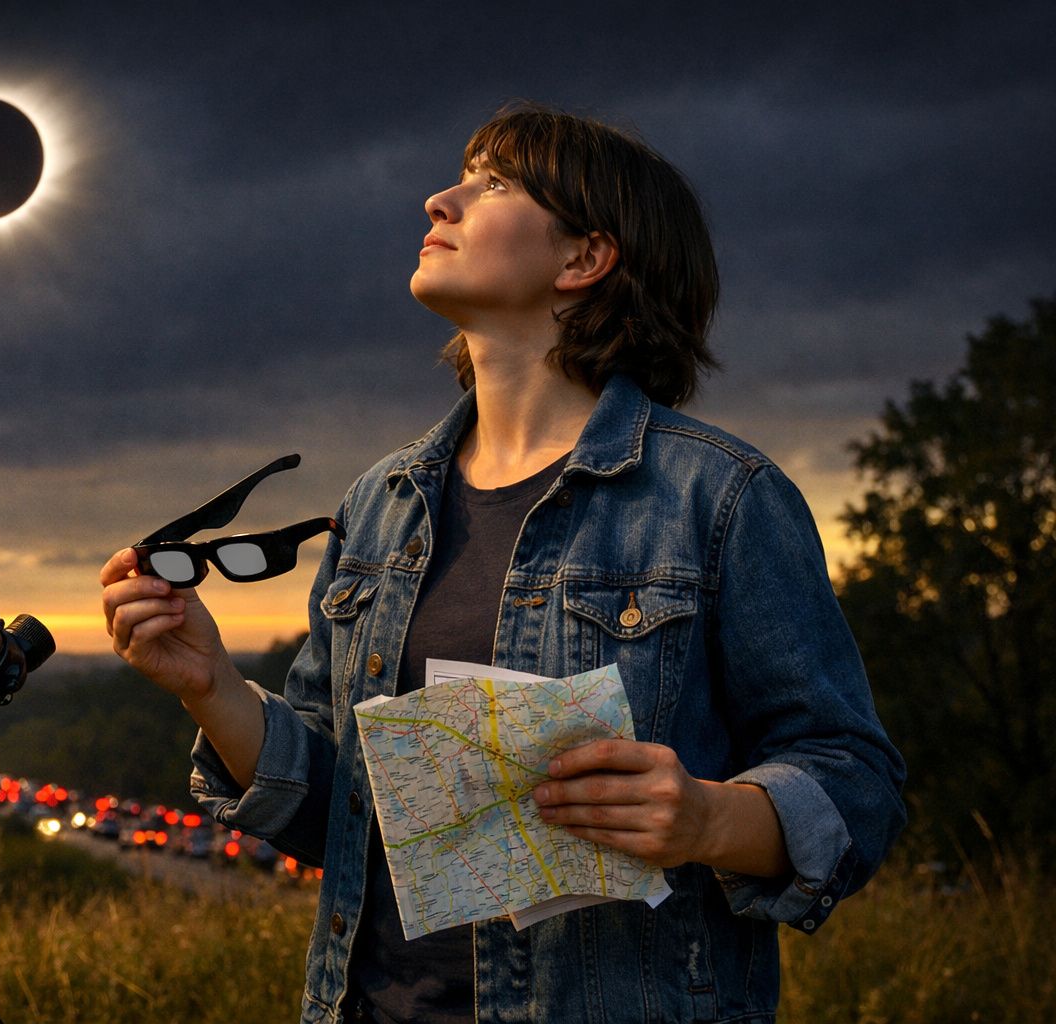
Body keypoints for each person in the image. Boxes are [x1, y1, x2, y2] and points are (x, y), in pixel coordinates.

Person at [99, 102, 905, 1024]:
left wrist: (709, 819)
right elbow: (345, 821)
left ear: (582, 259)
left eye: (492, 183)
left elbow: (856, 783)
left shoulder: (718, 498)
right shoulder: (379, 504)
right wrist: (210, 687)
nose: (439, 200)